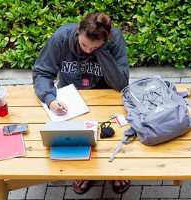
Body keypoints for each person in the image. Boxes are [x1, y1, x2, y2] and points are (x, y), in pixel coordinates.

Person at [32, 12, 131, 194]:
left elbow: (122, 84)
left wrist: (102, 52)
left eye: (94, 47)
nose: (87, 51)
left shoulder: (114, 40)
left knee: (115, 132)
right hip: (71, 97)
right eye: (84, 44)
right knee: (76, 137)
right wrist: (50, 99)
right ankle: (87, 169)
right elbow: (42, 72)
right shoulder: (61, 37)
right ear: (78, 30)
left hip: (106, 94)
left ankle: (114, 168)